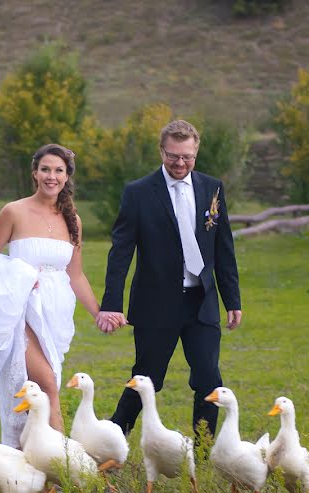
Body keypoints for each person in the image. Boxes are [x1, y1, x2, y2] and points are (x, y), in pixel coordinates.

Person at [96, 120, 242, 443]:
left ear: (196, 152)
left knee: (209, 379)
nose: (180, 163)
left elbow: (223, 246)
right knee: (146, 379)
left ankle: (202, 455)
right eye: (173, 156)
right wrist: (111, 303)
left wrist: (232, 300)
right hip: (156, 304)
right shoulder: (138, 193)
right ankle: (112, 440)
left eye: (187, 157)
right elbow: (121, 252)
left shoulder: (211, 188)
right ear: (162, 151)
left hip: (201, 303)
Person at [0, 144, 118, 448]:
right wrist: (18, 276)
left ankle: (34, 468)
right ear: (35, 172)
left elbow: (75, 274)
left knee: (42, 386)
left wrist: (98, 311)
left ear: (67, 176)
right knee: (46, 385)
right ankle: (66, 468)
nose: (52, 176)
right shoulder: (14, 211)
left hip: (54, 314)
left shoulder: (73, 219)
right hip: (19, 310)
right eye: (45, 169)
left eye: (58, 170)